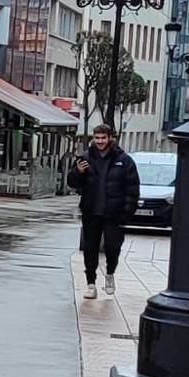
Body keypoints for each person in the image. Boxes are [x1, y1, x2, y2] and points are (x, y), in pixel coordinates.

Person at [67, 122, 140, 300]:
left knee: (112, 247)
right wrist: (78, 172)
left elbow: (132, 187)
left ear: (110, 138)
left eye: (103, 138)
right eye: (97, 138)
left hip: (114, 214)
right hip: (91, 211)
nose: (100, 141)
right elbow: (72, 183)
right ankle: (90, 284)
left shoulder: (124, 160)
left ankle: (110, 273)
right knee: (90, 248)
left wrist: (127, 211)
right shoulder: (84, 158)